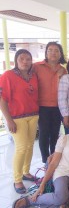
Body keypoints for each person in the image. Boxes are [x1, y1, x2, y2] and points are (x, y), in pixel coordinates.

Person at [0, 49, 39, 194]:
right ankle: (17, 180)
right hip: (17, 118)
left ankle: (26, 172)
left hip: (33, 116)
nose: (25, 62)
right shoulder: (8, 76)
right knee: (21, 148)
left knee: (29, 146)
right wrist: (9, 120)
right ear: (16, 60)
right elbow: (2, 100)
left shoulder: (33, 76)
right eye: (22, 59)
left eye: (28, 59)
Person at [33, 42, 67, 163]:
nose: (53, 53)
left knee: (54, 135)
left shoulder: (63, 70)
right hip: (42, 107)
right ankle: (45, 161)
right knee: (43, 135)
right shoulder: (37, 67)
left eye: (56, 50)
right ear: (46, 53)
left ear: (60, 54)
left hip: (58, 107)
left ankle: (53, 160)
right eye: (50, 50)